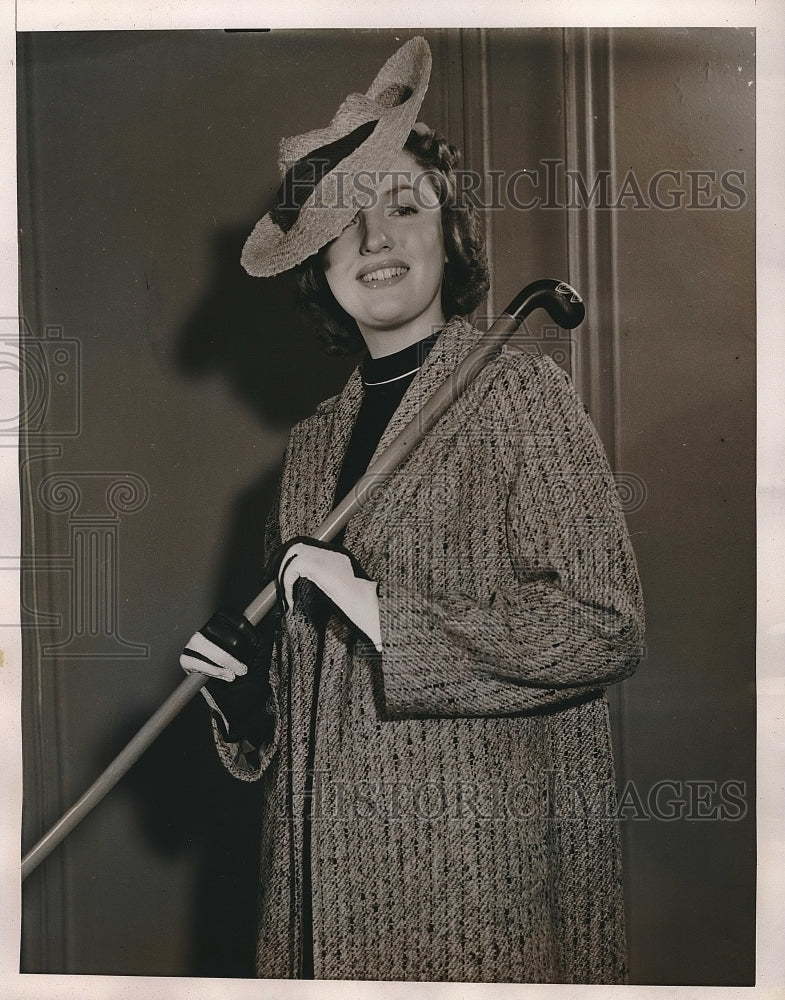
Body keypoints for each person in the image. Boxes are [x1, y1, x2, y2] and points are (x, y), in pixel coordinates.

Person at [180, 36, 644, 983]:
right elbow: (325, 694)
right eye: (343, 223)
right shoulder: (313, 442)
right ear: (319, 264)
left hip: (478, 883)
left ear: (452, 233)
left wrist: (380, 610)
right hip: (323, 886)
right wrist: (245, 694)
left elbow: (602, 625)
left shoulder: (519, 395)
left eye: (402, 206)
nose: (375, 240)